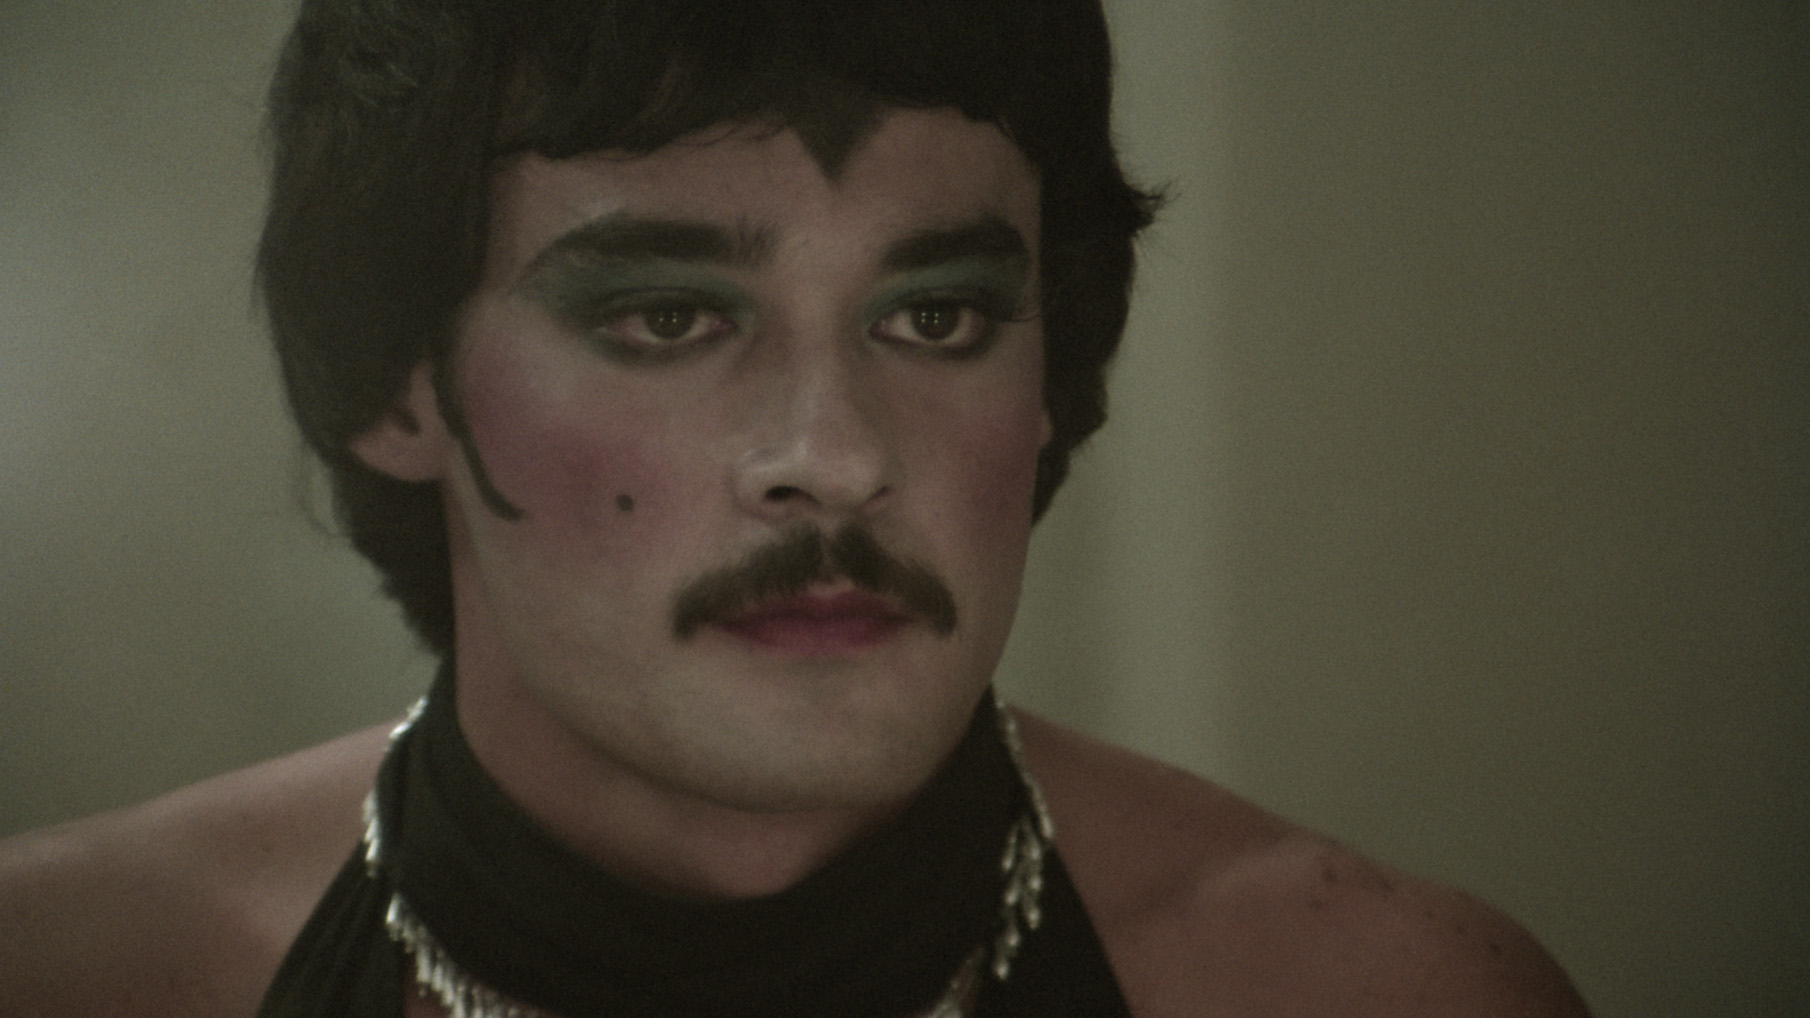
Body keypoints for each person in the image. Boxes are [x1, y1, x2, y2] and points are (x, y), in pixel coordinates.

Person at [0, 1, 1593, 1015]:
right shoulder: (73, 972)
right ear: (401, 386)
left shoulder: (1365, 990)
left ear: (1049, 369)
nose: (832, 456)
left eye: (935, 317)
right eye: (668, 318)